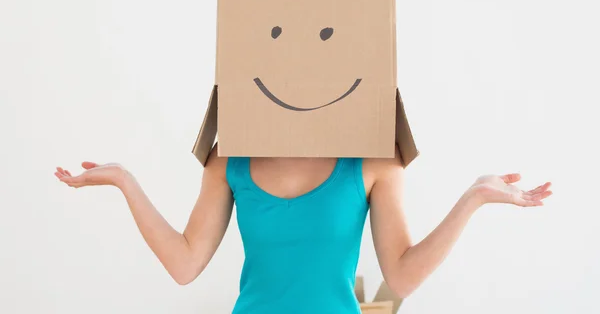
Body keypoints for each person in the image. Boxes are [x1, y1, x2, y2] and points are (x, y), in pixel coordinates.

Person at [54, 144, 552, 313]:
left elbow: (399, 277)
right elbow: (185, 264)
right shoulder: (230, 160)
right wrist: (125, 181)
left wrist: (472, 200)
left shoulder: (375, 162)